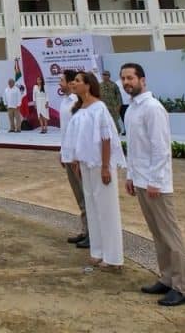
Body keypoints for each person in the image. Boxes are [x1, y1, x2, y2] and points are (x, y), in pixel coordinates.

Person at [120, 63, 185, 307]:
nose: (127, 82)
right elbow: (134, 148)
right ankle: (166, 278)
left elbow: (161, 149)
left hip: (156, 185)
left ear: (143, 80)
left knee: (170, 236)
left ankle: (181, 287)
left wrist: (154, 181)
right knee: (157, 234)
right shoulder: (130, 110)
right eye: (124, 78)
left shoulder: (152, 108)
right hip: (140, 181)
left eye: (131, 77)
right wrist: (131, 176)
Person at [69, 71, 125, 271]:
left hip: (101, 164)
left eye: (77, 81)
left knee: (107, 210)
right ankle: (98, 252)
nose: (73, 83)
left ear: (88, 85)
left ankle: (114, 258)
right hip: (86, 164)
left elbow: (106, 138)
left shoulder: (99, 107)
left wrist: (105, 166)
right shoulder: (81, 108)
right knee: (92, 207)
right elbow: (79, 138)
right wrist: (76, 160)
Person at [57, 70, 89, 250]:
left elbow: (79, 133)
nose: (59, 83)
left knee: (86, 195)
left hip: (77, 157)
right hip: (67, 154)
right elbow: (65, 131)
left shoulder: (78, 104)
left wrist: (76, 156)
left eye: (62, 80)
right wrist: (62, 151)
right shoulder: (64, 102)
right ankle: (85, 231)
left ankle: (92, 234)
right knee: (79, 196)